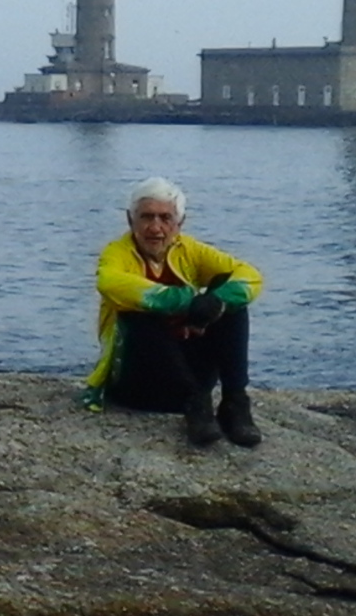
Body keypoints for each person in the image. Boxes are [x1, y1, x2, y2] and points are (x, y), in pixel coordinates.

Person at [81, 176, 263, 446]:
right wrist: (186, 301)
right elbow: (108, 282)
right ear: (131, 221)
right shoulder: (116, 253)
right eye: (147, 217)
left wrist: (215, 302)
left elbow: (251, 276)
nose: (156, 228)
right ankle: (196, 404)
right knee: (137, 312)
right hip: (138, 382)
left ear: (180, 223)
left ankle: (235, 402)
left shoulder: (189, 249)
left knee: (230, 300)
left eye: (165, 218)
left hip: (192, 373)